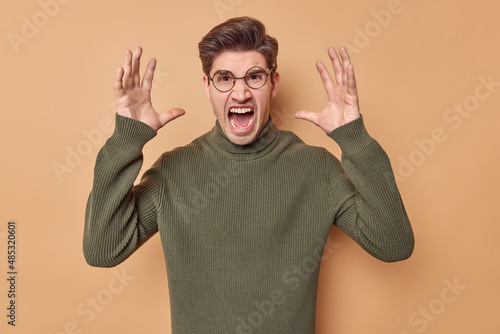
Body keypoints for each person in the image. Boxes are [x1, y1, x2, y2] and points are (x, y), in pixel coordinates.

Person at [83, 16, 414, 333]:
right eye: (224, 78)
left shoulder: (316, 169)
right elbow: (102, 249)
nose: (240, 93)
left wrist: (353, 137)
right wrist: (126, 139)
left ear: (273, 83)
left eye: (254, 77)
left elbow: (394, 244)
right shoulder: (174, 171)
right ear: (207, 87)